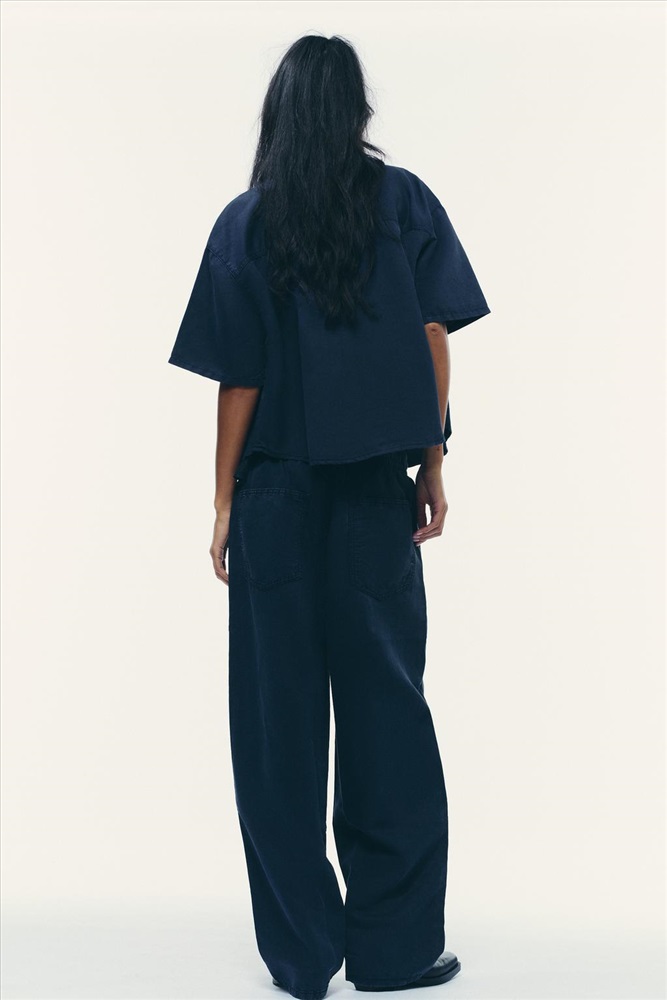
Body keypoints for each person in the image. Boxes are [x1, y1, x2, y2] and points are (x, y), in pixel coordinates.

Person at [167, 33, 490, 1000]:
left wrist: (224, 501)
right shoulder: (403, 203)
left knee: (278, 729)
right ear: (357, 111)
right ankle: (395, 952)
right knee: (390, 716)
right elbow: (432, 336)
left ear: (279, 112)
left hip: (275, 499)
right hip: (372, 499)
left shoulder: (245, 222)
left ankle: (302, 958)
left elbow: (239, 378)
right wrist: (432, 459)